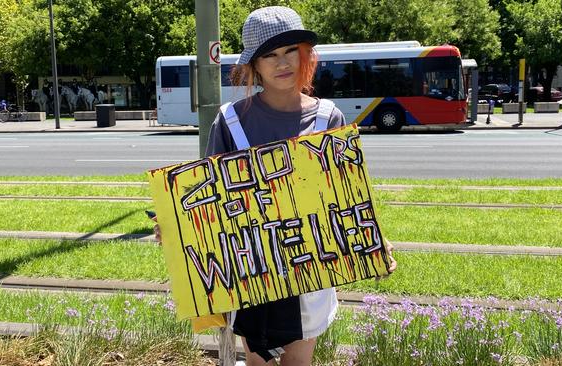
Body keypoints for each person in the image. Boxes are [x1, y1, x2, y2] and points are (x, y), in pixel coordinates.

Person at [154, 6, 396, 365]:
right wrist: (178, 227)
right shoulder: (231, 120)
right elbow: (209, 196)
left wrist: (374, 240)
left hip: (309, 273)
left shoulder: (330, 118)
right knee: (256, 363)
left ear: (305, 56)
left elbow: (346, 197)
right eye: (270, 55)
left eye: (291, 52)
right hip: (253, 272)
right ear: (254, 65)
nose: (283, 63)